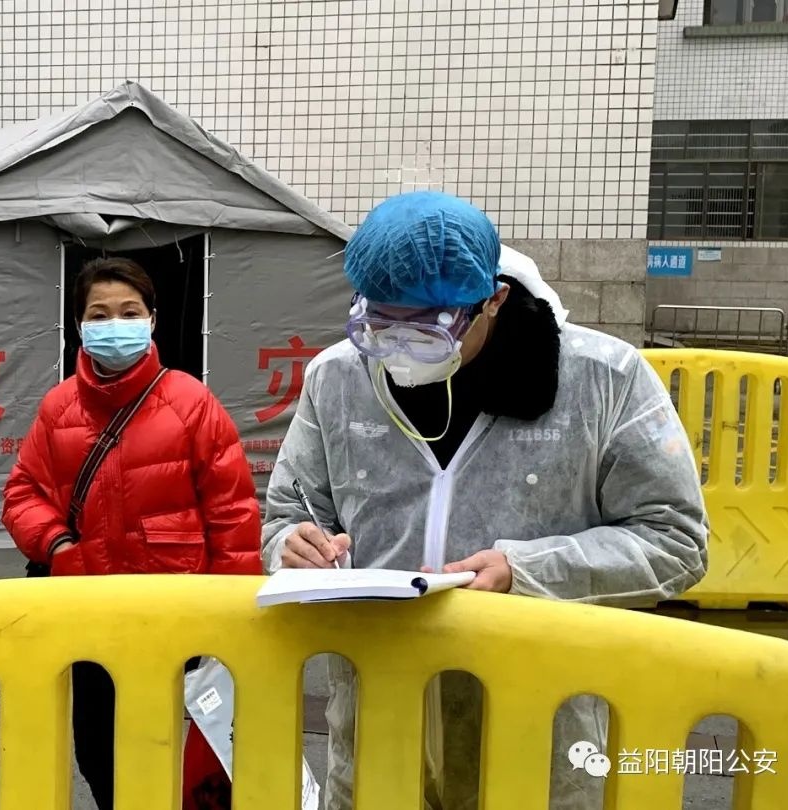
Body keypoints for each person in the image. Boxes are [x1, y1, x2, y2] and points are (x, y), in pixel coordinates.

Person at [261, 192, 709, 810]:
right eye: (377, 322)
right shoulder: (338, 378)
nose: (396, 345)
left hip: (539, 712)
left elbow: (674, 540)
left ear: (492, 300)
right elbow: (289, 513)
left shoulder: (604, 379)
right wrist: (294, 546)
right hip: (378, 705)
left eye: (426, 326)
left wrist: (526, 569)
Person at [3, 256, 261, 810]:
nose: (114, 324)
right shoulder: (58, 409)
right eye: (100, 313)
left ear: (152, 320)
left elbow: (233, 516)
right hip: (90, 619)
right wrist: (58, 546)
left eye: (129, 311)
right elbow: (21, 494)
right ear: (80, 325)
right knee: (98, 755)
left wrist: (236, 623)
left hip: (180, 624)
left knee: (176, 756)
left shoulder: (192, 403)